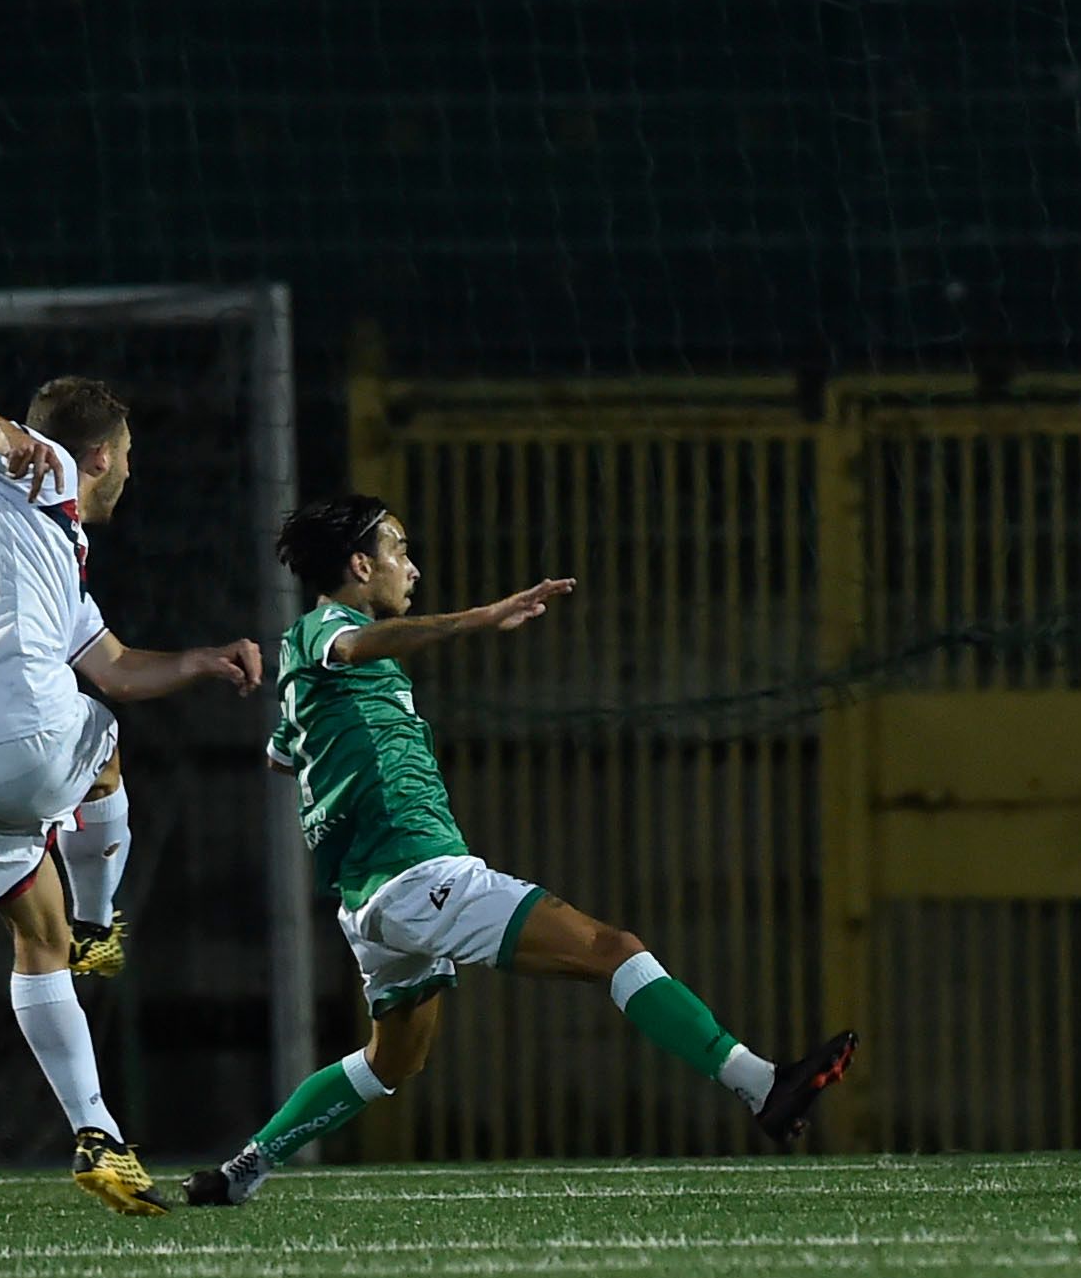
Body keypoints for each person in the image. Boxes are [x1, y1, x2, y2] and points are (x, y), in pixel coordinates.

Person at [185, 496, 855, 1206]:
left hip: (369, 894)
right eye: (399, 551)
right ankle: (762, 1085)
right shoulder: (331, 629)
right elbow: (352, 649)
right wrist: (481, 617)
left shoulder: (302, 667)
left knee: (393, 1060)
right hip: (419, 872)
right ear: (359, 564)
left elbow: (282, 759)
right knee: (613, 949)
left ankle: (239, 1172)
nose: (411, 567)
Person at [0, 377, 263, 1214]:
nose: (131, 473)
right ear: (99, 455)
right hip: (18, 729)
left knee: (35, 941)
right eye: (129, 457)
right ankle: (101, 925)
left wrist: (204, 659)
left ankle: (95, 1131)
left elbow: (116, 667)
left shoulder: (44, 551)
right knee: (101, 752)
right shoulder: (45, 471)